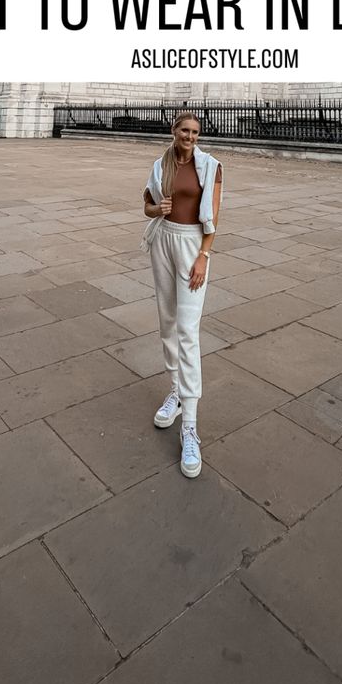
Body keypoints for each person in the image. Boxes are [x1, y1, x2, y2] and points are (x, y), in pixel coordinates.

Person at [142, 111, 222, 478]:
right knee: (167, 323)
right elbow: (146, 203)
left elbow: (214, 220)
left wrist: (204, 257)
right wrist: (157, 208)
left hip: (193, 248)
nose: (189, 136)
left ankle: (189, 423)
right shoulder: (161, 165)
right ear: (173, 132)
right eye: (184, 130)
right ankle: (174, 391)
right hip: (163, 241)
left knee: (188, 332)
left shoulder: (211, 166)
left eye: (194, 132)